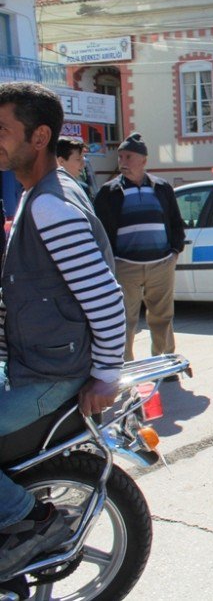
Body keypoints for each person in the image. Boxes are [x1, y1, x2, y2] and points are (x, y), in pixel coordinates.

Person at [0, 82, 126, 578]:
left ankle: (33, 519)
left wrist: (106, 376)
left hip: (52, 373)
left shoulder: (51, 206)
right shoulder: (43, 195)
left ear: (39, 136)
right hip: (33, 360)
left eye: (3, 130)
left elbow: (107, 298)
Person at [94, 133, 185, 364]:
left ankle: (165, 363)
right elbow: (98, 230)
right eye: (120, 156)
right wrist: (110, 261)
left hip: (161, 264)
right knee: (124, 318)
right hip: (125, 267)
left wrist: (175, 251)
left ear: (143, 160)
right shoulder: (109, 192)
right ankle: (123, 366)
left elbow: (176, 222)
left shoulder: (162, 188)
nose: (122, 161)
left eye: (128, 156)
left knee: (162, 317)